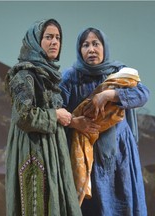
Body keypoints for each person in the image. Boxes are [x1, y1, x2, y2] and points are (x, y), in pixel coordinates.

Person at [59, 27, 149, 216]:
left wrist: (110, 94)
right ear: (79, 49)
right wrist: (75, 122)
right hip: (88, 156)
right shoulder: (71, 77)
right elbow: (58, 109)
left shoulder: (119, 73)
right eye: (86, 45)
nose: (91, 49)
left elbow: (142, 94)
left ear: (104, 47)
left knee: (124, 201)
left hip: (121, 154)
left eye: (96, 44)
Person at [5, 18, 82, 216]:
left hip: (51, 148)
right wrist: (55, 115)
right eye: (48, 37)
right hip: (33, 150)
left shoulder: (48, 74)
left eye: (57, 38)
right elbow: (23, 116)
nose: (55, 42)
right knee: (36, 204)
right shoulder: (24, 75)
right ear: (35, 41)